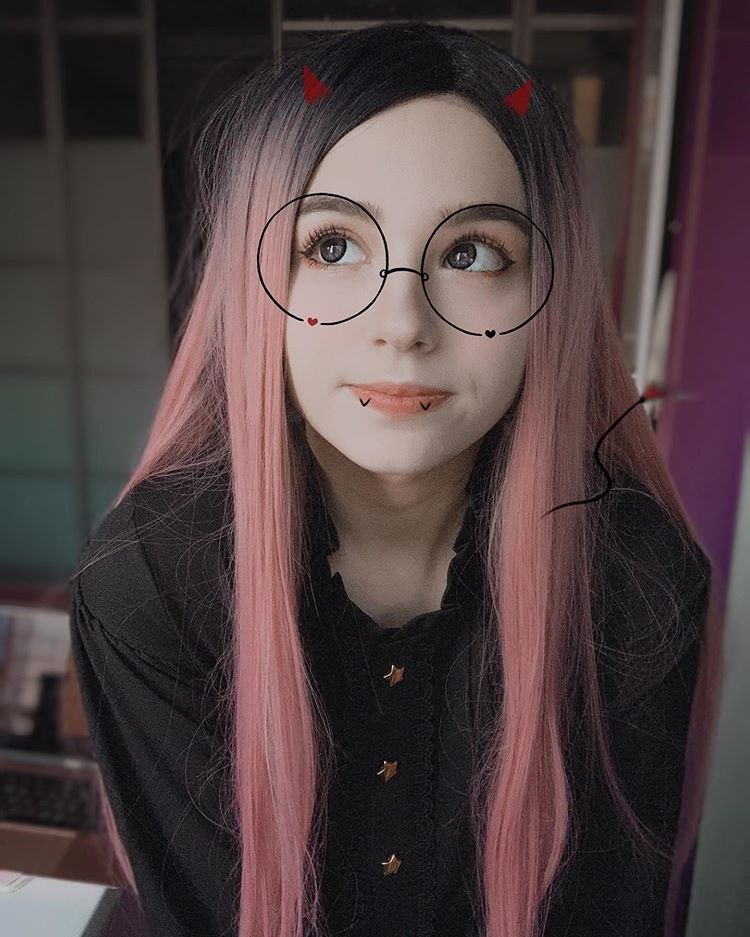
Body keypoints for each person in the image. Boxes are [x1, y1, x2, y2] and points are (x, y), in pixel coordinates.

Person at [67, 20, 723, 937]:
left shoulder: (635, 581)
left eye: (472, 253)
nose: (403, 323)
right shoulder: (152, 579)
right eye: (333, 246)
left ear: (549, 295)